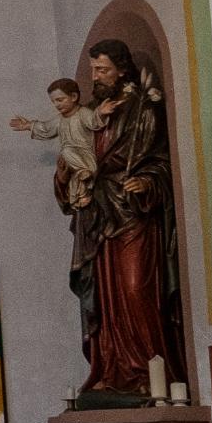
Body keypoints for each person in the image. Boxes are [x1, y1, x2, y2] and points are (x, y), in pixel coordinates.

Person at [66, 38, 187, 401]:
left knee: (135, 290)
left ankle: (149, 375)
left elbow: (162, 164)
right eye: (92, 71)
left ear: (121, 70)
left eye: (102, 69)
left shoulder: (142, 111)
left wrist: (147, 182)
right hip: (98, 216)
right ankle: (110, 370)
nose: (96, 77)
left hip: (132, 213)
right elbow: (74, 157)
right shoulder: (89, 115)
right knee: (104, 299)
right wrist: (68, 171)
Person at [8, 77, 106, 211]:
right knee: (75, 179)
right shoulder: (59, 120)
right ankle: (82, 197)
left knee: (67, 153)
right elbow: (46, 128)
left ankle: (84, 173)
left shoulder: (83, 113)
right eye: (54, 102)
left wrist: (101, 113)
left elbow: (95, 122)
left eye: (60, 100)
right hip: (73, 162)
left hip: (86, 156)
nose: (57, 105)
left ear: (73, 96)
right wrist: (29, 125)